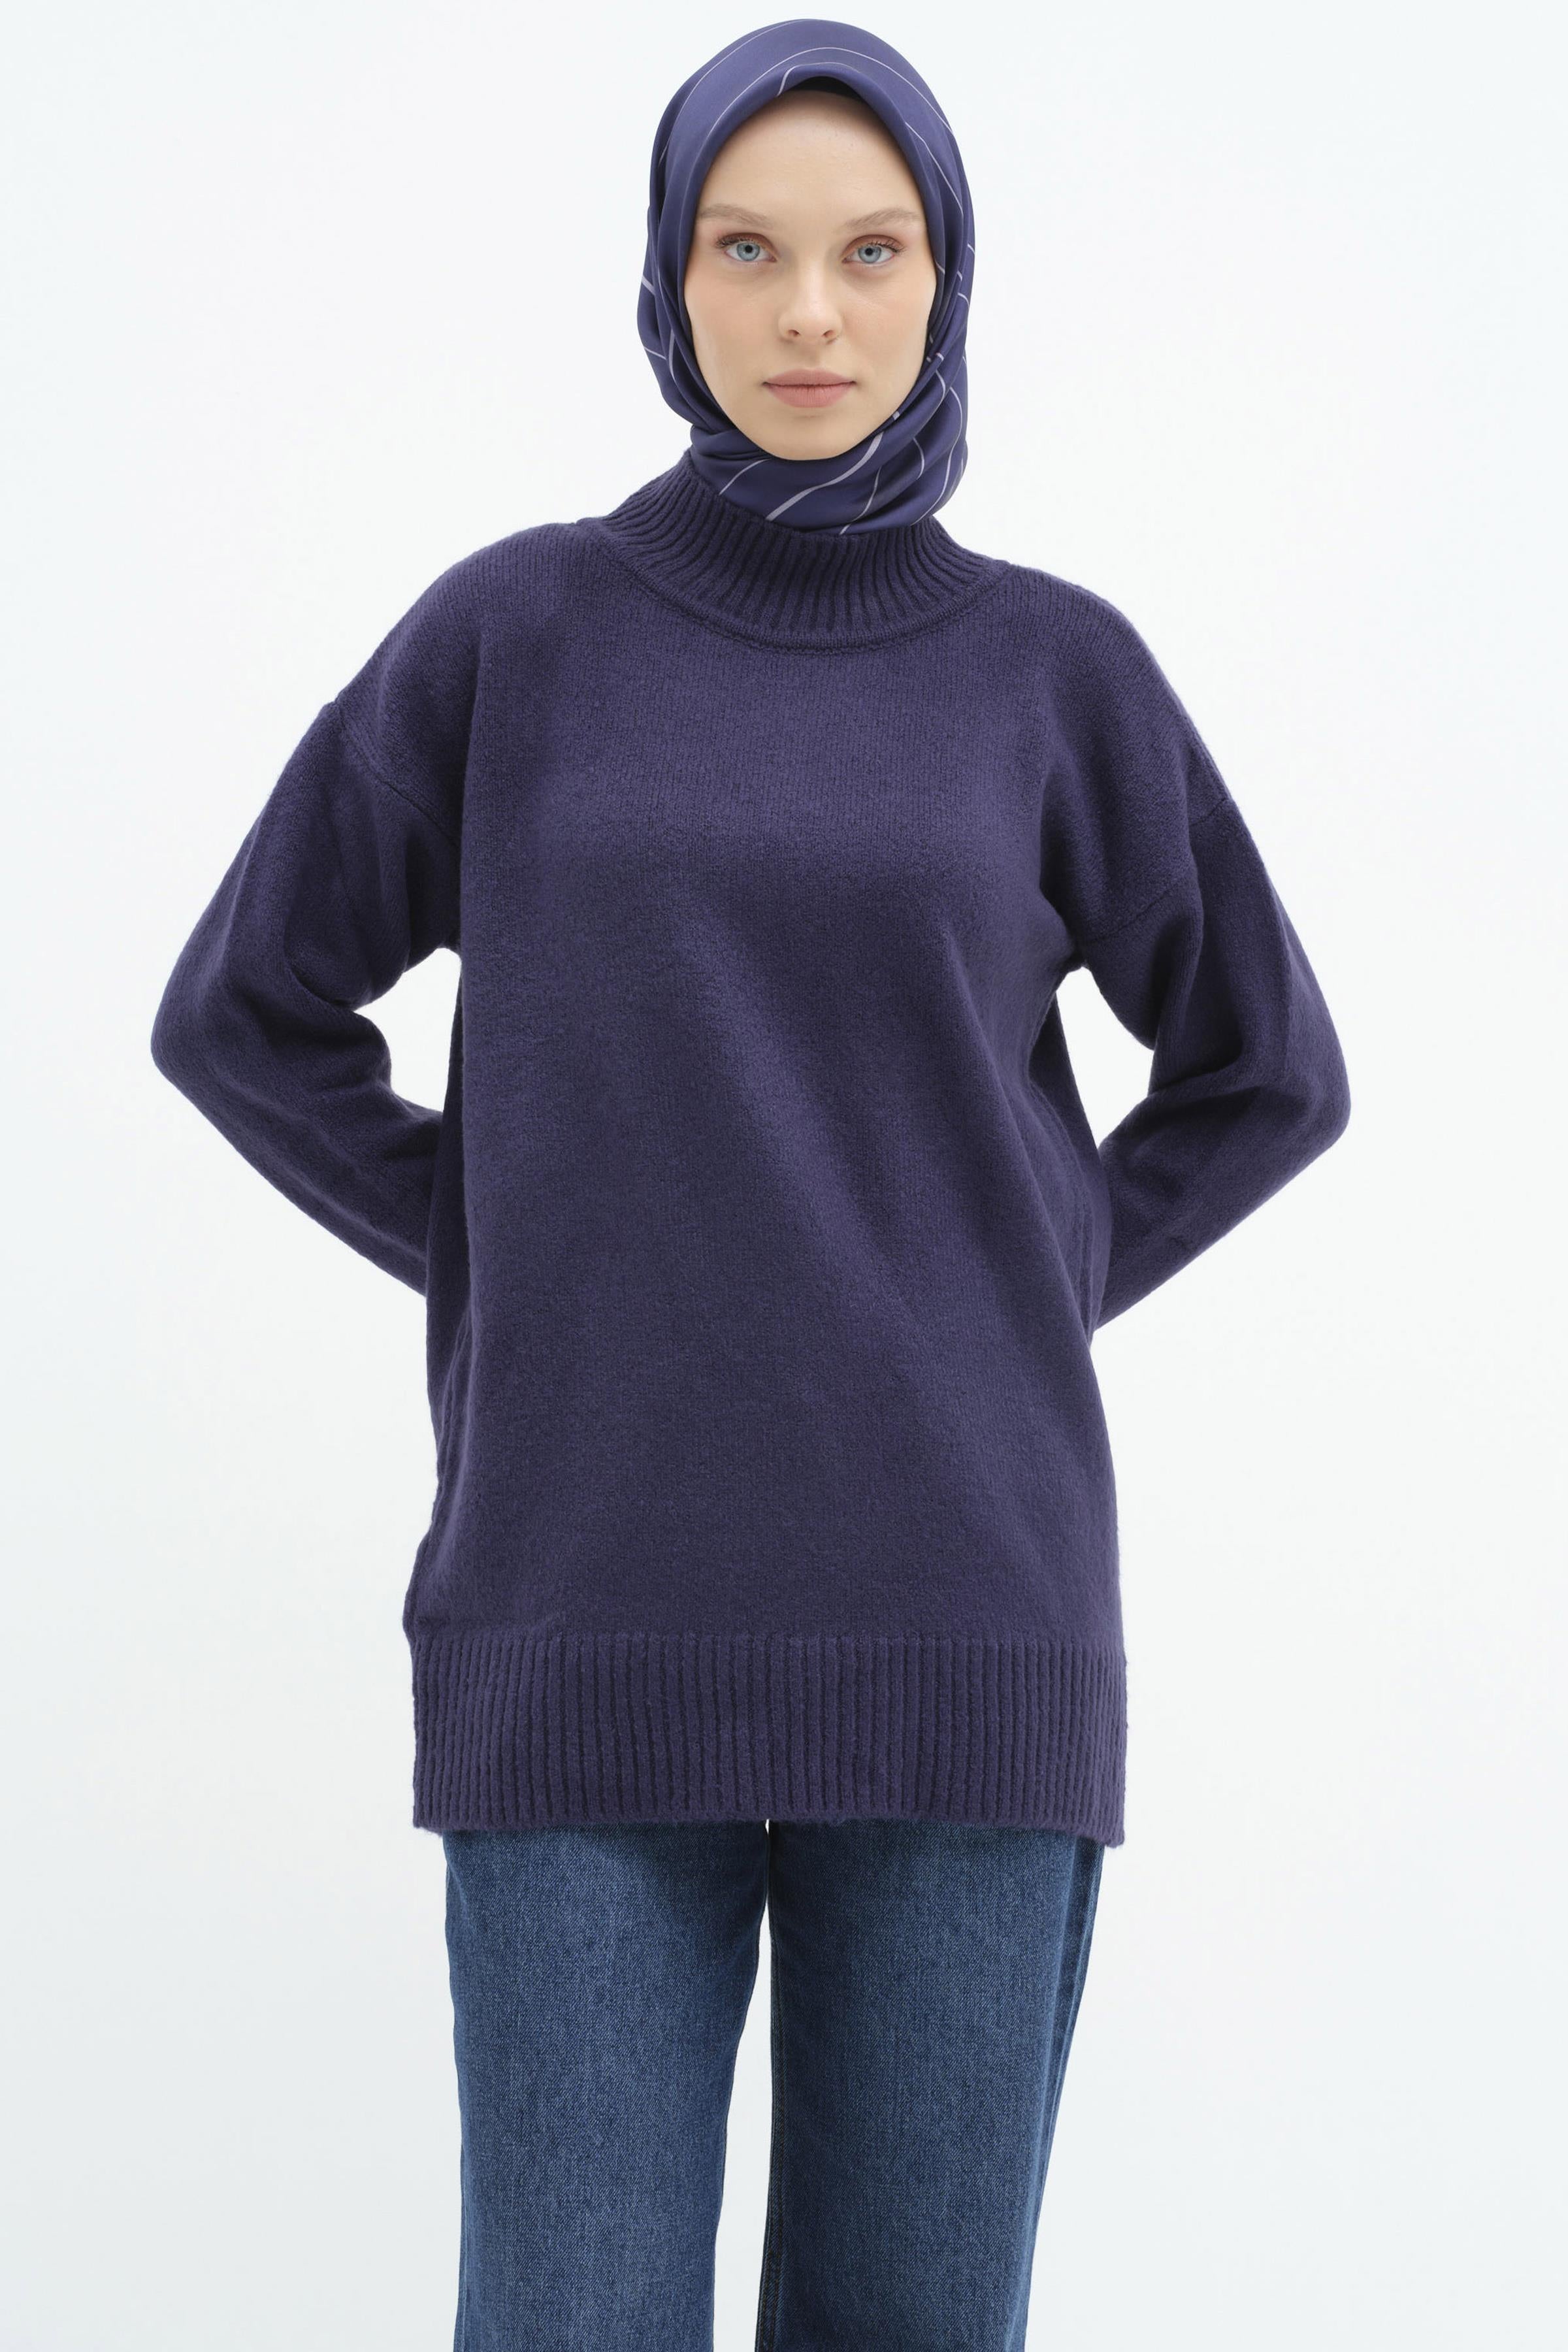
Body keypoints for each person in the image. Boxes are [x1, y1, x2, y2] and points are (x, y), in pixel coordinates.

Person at [148, 18, 1351, 2347]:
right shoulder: (516, 638)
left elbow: (1266, 1072)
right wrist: (528, 1242)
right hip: (583, 1613)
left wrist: (1007, 1273)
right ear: (669, 277)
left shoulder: (1055, 675)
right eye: (748, 250)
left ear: (948, 280)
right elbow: (244, 1012)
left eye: (872, 253)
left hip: (965, 1624)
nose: (811, 313)